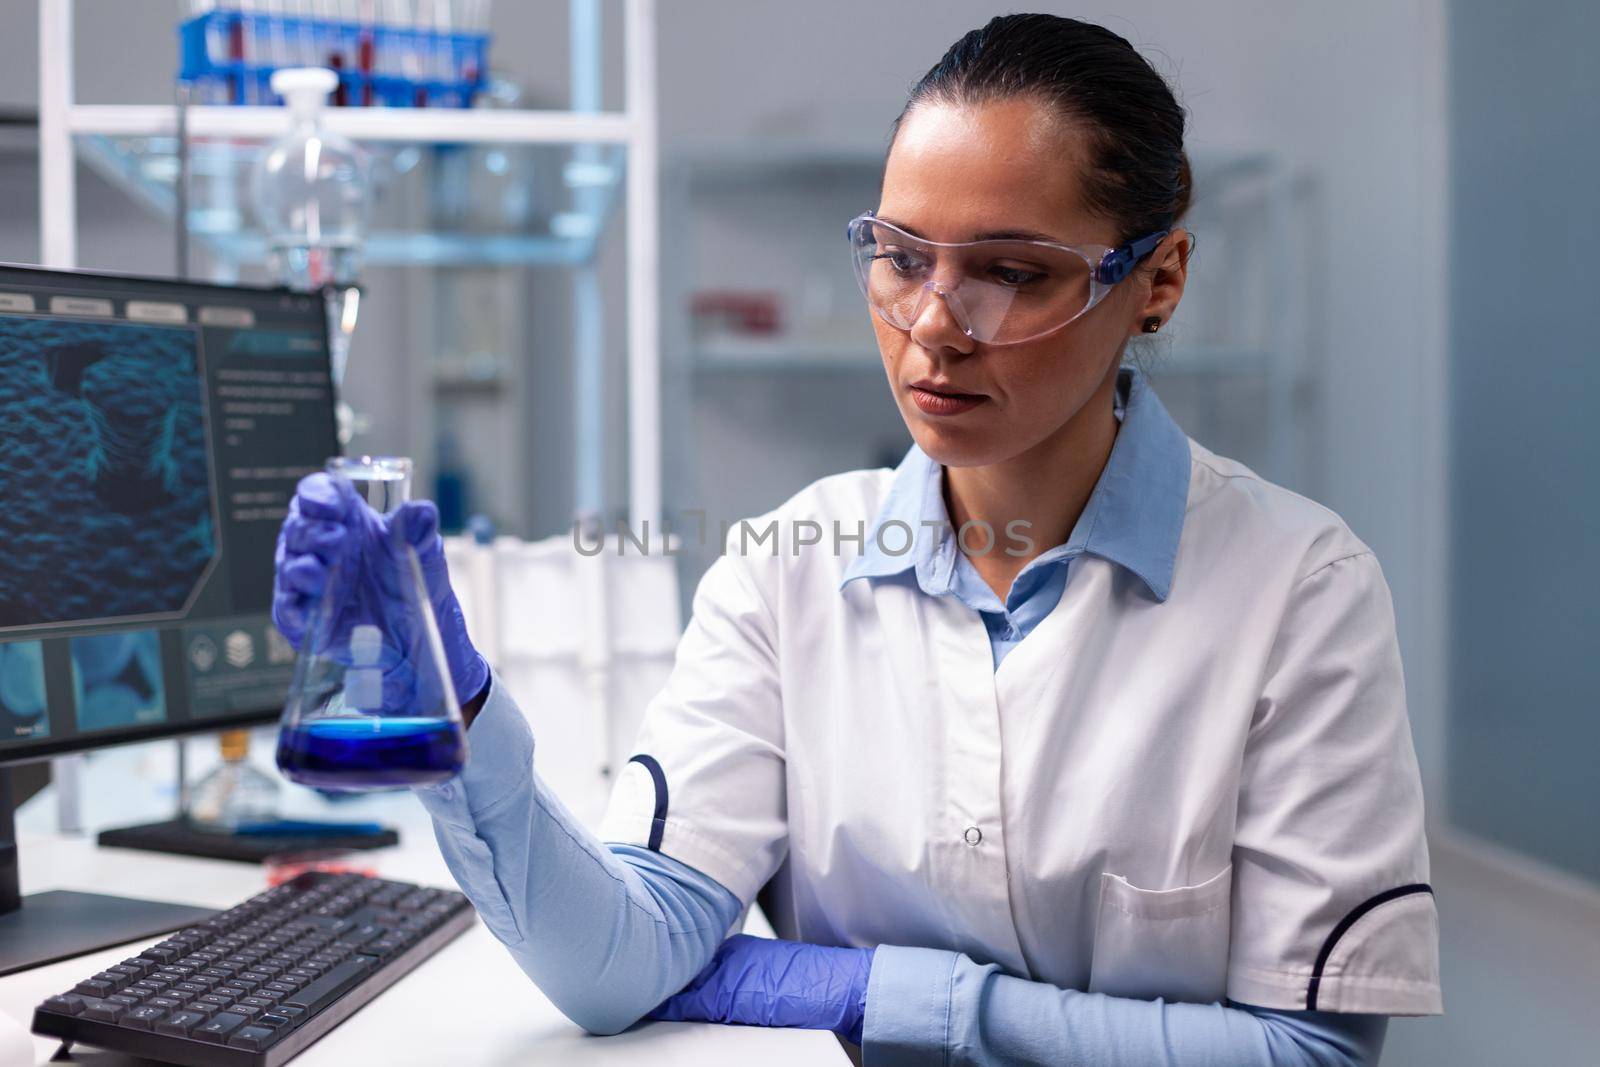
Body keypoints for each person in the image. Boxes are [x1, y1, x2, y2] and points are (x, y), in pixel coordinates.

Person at [273, 14, 1441, 1065]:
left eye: (1010, 273)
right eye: (900, 256)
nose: (936, 325)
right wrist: (456, 712)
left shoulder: (1301, 590)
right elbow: (617, 964)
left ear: (1159, 280)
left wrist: (891, 994)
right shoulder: (784, 566)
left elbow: (1306, 1050)